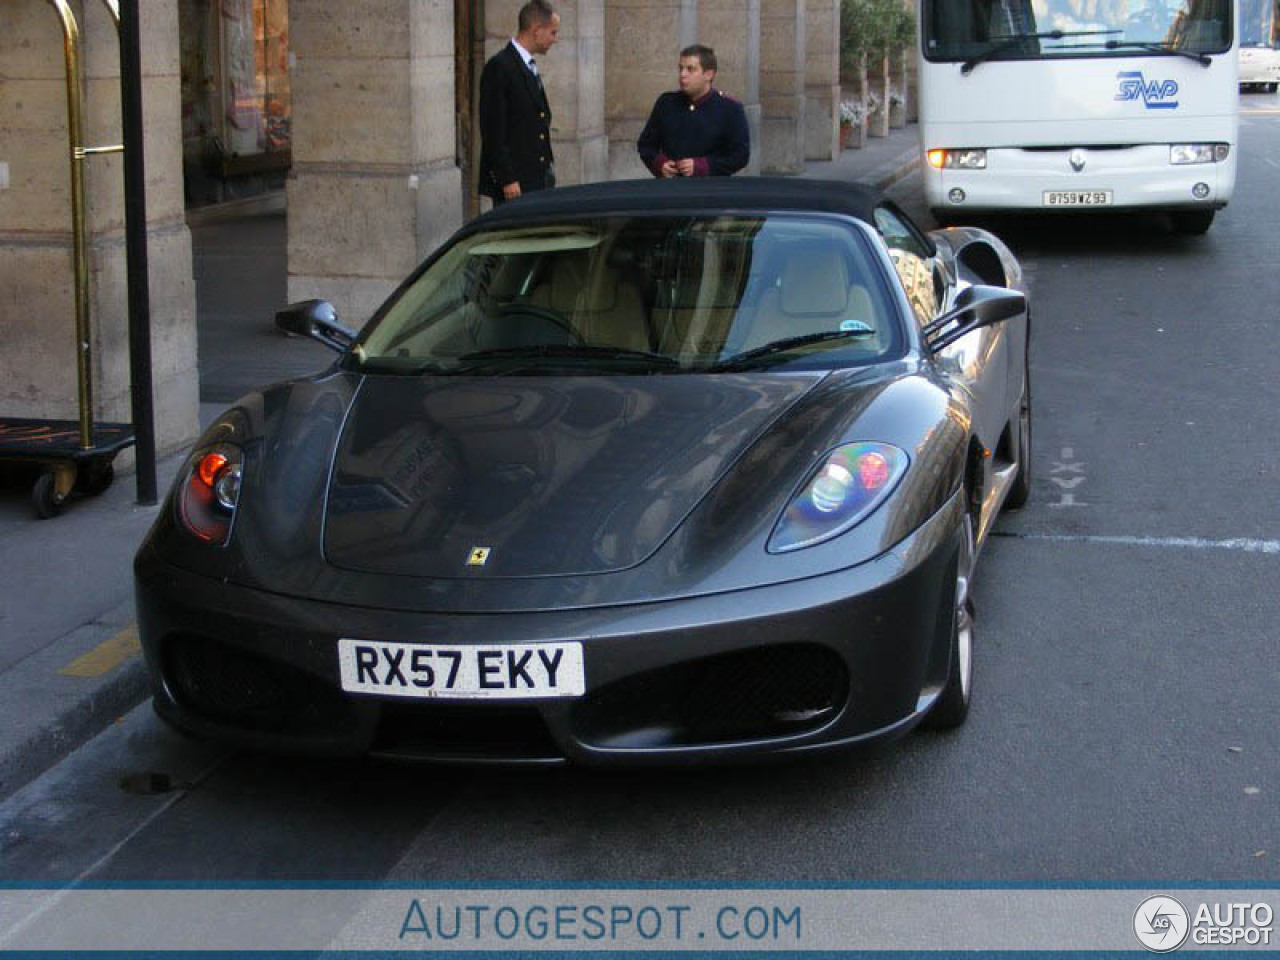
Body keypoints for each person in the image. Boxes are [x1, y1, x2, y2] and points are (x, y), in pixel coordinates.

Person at [478, 0, 560, 206]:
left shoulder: (526, 65)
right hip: (516, 183)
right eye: (553, 33)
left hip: (536, 177)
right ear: (536, 30)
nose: (554, 40)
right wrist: (507, 178)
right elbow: (493, 131)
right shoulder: (501, 67)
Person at [637, 44, 750, 178]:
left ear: (709, 74)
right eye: (681, 68)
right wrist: (660, 164)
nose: (683, 75)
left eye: (690, 69)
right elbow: (646, 145)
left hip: (711, 190)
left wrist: (702, 166)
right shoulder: (666, 103)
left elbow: (739, 156)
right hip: (671, 188)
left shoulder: (730, 109)